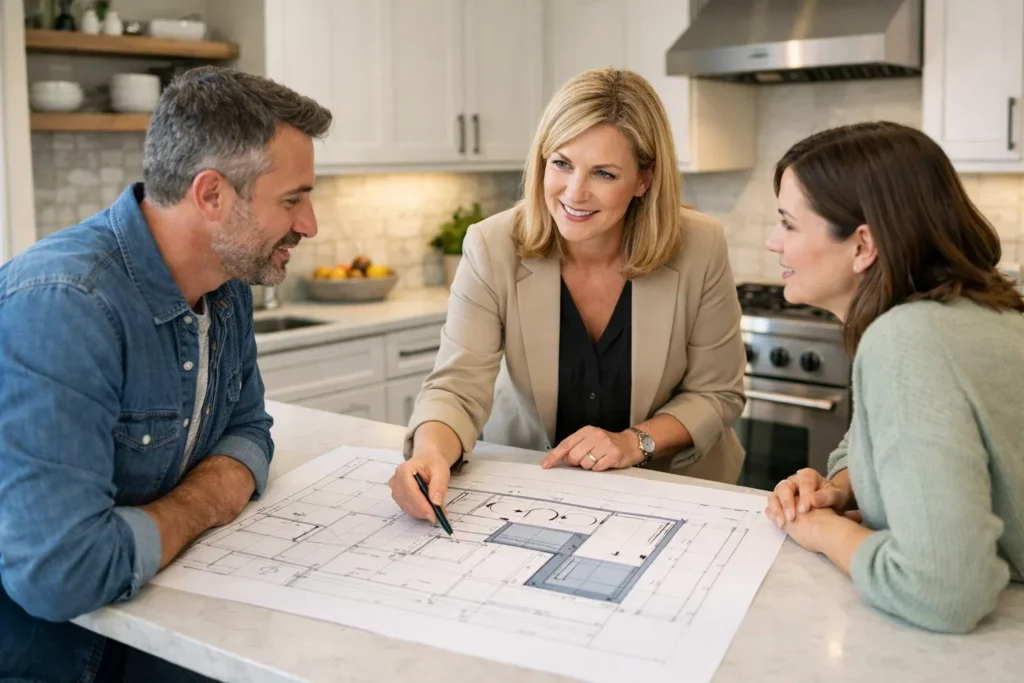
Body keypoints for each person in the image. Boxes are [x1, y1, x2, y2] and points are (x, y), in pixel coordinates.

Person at [0, 66, 332, 681]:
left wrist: (173, 512)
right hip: (63, 660)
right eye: (292, 199)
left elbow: (249, 428)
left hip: (168, 628)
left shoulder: (227, 287)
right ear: (212, 196)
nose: (310, 224)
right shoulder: (65, 305)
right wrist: (207, 499)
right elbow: (60, 574)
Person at [388, 67, 746, 523]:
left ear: (644, 179)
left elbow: (717, 393)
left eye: (604, 173)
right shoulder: (491, 245)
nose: (574, 193)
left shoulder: (700, 244)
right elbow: (457, 387)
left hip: (671, 490)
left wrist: (633, 442)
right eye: (561, 163)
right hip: (535, 486)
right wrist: (430, 454)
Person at [762, 121, 1024, 634]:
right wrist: (839, 489)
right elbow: (876, 441)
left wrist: (822, 530)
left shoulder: (906, 340)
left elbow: (943, 590)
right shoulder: (975, 311)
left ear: (863, 245)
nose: (773, 243)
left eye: (789, 225)